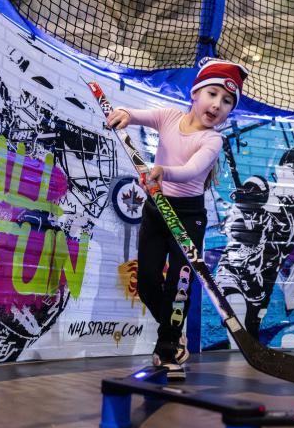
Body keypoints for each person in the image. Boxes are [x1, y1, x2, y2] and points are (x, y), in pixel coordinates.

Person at [107, 58, 249, 378]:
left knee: (178, 286)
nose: (217, 105)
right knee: (146, 283)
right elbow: (135, 116)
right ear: (195, 95)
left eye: (226, 101)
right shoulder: (169, 117)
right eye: (212, 94)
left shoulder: (213, 140)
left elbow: (192, 171)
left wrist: (163, 171)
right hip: (157, 209)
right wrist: (124, 115)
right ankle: (174, 334)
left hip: (187, 218)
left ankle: (168, 347)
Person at [216, 147, 294, 344]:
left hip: (262, 283)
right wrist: (245, 207)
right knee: (236, 311)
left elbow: (285, 227)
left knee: (252, 326)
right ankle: (241, 350)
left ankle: (247, 357)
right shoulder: (256, 188)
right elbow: (231, 227)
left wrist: (259, 200)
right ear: (280, 171)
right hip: (234, 270)